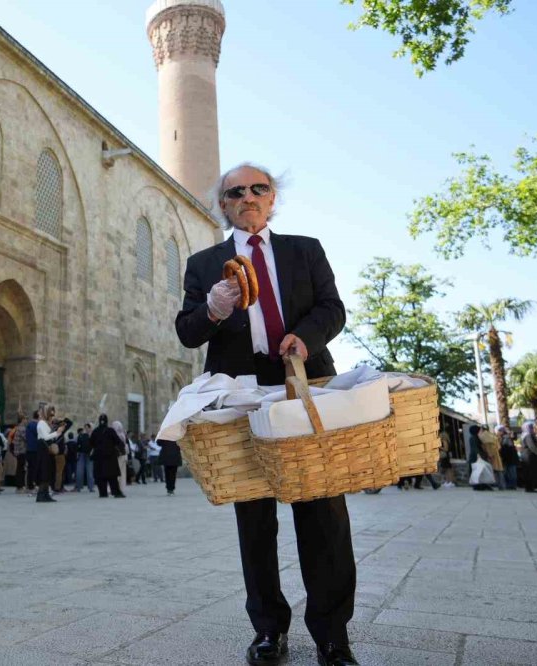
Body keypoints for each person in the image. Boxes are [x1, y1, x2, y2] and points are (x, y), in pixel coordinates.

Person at [175, 162, 355, 666]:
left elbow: (332, 308)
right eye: (236, 192)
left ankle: (333, 636)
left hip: (303, 384)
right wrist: (212, 309)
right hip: (241, 391)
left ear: (272, 199)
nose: (248, 197)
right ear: (223, 204)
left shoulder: (305, 249)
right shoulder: (205, 263)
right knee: (254, 519)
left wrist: (307, 336)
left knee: (323, 514)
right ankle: (268, 630)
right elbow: (188, 333)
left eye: (259, 189)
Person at [35, 405, 66, 503]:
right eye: (51, 413)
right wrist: (57, 432)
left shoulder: (45, 423)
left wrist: (58, 433)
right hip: (43, 449)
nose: (52, 416)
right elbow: (45, 437)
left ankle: (45, 494)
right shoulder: (41, 423)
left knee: (47, 472)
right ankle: (41, 495)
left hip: (46, 450)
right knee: (44, 471)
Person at [91, 414, 125, 498]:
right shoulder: (110, 431)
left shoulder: (95, 431)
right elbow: (118, 441)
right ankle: (116, 492)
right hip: (110, 457)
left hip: (99, 457)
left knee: (100, 476)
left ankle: (103, 493)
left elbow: (91, 443)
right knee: (112, 476)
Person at [467, 425, 494, 491]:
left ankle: (480, 485)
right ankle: (478, 485)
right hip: (476, 457)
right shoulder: (474, 438)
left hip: (476, 456)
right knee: (478, 471)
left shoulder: (475, 437)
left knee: (479, 471)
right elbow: (475, 448)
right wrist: (478, 455)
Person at [497, 425, 519, 491]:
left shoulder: (509, 436)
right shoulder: (499, 438)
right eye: (501, 430)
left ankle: (512, 485)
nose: (502, 431)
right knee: (506, 472)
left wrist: (509, 432)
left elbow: (514, 437)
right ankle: (508, 484)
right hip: (504, 457)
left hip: (510, 457)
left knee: (512, 472)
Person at [75, 424, 95, 492]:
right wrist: (77, 453)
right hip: (82, 454)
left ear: (90, 428)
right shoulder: (81, 436)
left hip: (90, 455)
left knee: (90, 472)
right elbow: (78, 445)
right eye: (85, 428)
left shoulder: (92, 436)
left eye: (87, 428)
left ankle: (91, 487)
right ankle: (78, 487)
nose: (86, 429)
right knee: (79, 471)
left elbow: (94, 445)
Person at [11, 414, 28, 493]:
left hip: (18, 450)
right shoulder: (22, 428)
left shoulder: (18, 427)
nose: (26, 420)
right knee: (21, 469)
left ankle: (19, 485)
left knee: (19, 468)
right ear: (22, 419)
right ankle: (20, 486)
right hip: (21, 450)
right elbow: (26, 438)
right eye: (25, 419)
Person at [25, 411, 40, 493]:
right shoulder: (36, 425)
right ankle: (34, 485)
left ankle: (29, 485)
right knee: (34, 468)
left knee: (30, 468)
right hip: (35, 449)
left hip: (29, 449)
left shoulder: (29, 425)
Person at [112, 421, 129, 491]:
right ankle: (121, 487)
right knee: (122, 473)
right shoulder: (123, 435)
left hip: (116, 455)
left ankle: (113, 487)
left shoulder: (115, 435)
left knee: (115, 472)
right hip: (123, 455)